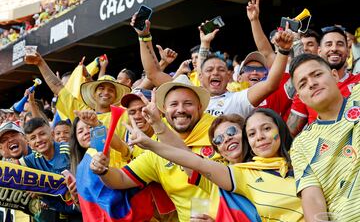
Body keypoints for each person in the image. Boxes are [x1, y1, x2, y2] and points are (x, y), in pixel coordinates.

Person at [93, 107, 303, 221]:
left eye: (232, 132)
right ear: (217, 151)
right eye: (218, 141)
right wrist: (154, 135)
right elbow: (189, 159)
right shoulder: (227, 175)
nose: (226, 140)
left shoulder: (302, 161)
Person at [89, 74, 225, 222]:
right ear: (164, 110)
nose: (180, 109)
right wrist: (103, 170)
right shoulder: (156, 146)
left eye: (188, 103)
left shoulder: (221, 132)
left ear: (199, 107)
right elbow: (121, 178)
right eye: (173, 104)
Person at [133, 12, 293, 118]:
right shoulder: (189, 95)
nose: (215, 73)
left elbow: (271, 84)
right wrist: (144, 36)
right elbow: (153, 73)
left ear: (230, 76)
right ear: (200, 76)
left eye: (221, 69)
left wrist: (283, 51)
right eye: (209, 70)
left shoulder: (239, 100)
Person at [289, 53, 360, 221]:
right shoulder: (301, 145)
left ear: (335, 76)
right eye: (303, 84)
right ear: (300, 97)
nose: (312, 84)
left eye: (317, 75)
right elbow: (312, 199)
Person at [287, 26, 360, 136]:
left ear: (348, 51)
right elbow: (288, 135)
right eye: (329, 44)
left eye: (340, 44)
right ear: (319, 51)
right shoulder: (307, 89)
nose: (334, 48)